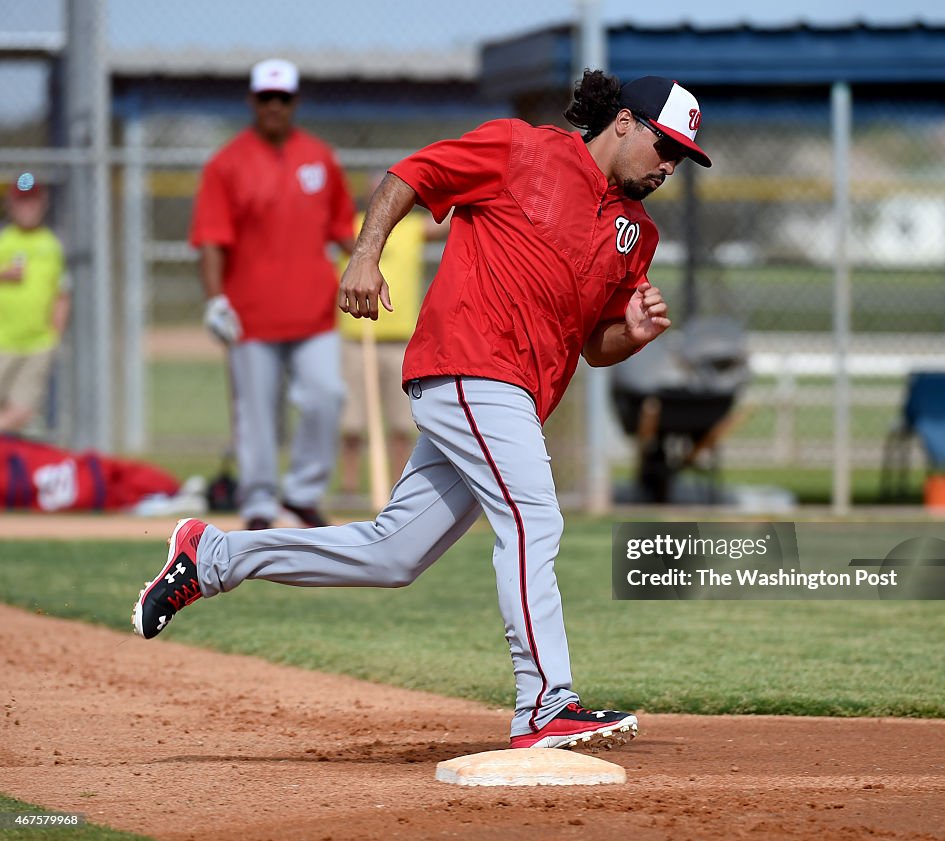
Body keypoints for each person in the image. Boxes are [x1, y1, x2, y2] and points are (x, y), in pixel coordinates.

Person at [134, 71, 712, 750]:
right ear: (622, 122)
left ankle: (211, 557)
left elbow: (592, 346)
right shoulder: (520, 150)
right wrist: (365, 256)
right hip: (470, 363)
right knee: (534, 518)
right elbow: (411, 174)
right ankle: (545, 703)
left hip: (514, 396)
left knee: (392, 553)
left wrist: (631, 334)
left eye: (681, 157)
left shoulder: (635, 234)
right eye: (663, 145)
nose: (669, 164)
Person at [190, 58, 356, 530]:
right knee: (256, 415)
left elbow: (344, 228)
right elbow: (210, 239)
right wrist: (215, 300)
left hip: (316, 310)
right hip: (251, 315)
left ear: (295, 102)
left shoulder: (321, 157)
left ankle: (303, 494)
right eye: (266, 98)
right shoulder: (226, 163)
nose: (274, 107)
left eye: (283, 99)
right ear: (252, 101)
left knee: (326, 396)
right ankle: (260, 503)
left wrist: (368, 263)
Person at [338, 172, 449, 495]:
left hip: (399, 339)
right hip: (357, 337)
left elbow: (450, 223)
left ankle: (396, 484)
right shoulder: (351, 226)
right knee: (352, 422)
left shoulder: (411, 228)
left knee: (401, 423)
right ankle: (349, 486)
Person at [0, 173, 70, 434]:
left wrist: (54, 335)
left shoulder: (51, 245)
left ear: (43, 202)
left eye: (32, 201)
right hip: (3, 340)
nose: (27, 208)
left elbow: (62, 292)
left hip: (38, 342)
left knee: (23, 411)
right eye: (21, 202)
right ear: (10, 204)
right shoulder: (4, 239)